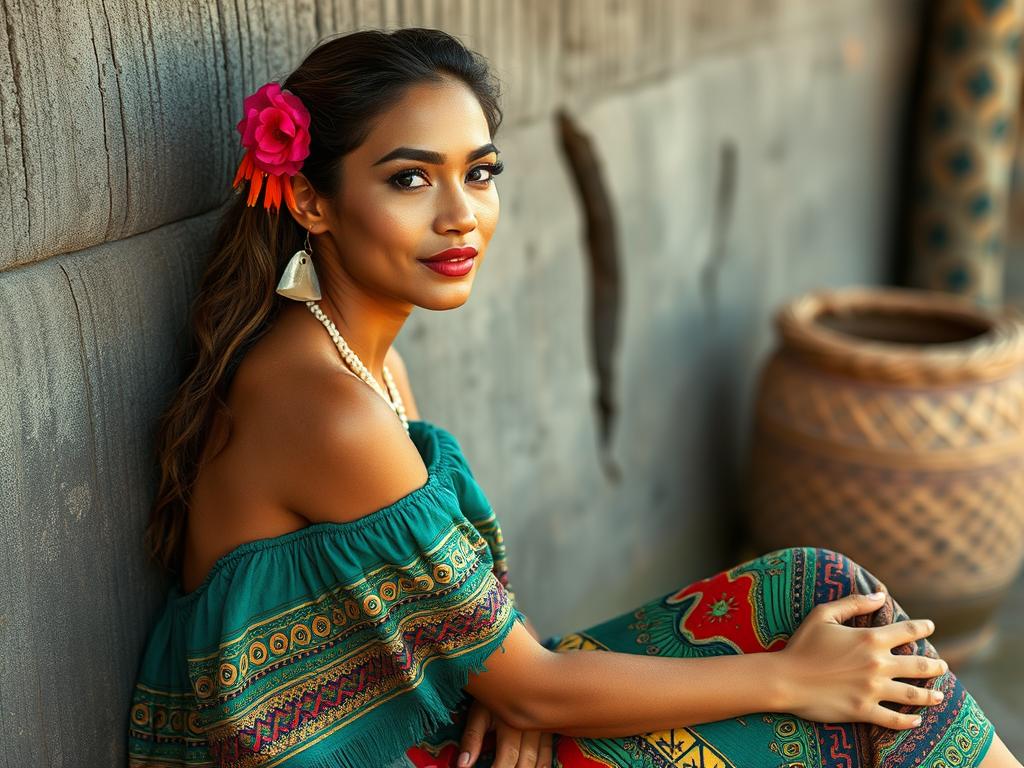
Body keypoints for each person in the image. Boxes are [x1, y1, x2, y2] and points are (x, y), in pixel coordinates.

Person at [126, 26, 1022, 768]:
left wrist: (517, 689)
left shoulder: (365, 366)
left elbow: (497, 653)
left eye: (478, 172)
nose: (460, 214)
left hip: (438, 726)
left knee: (819, 597)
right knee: (838, 683)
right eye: (409, 179)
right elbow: (527, 678)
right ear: (313, 204)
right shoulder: (324, 404)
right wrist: (797, 680)